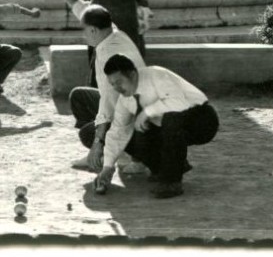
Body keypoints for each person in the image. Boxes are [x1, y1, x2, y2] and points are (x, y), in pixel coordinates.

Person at [45, 0, 149, 173]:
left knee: (87, 134)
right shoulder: (114, 32)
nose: (84, 36)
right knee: (80, 96)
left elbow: (108, 104)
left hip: (134, 117)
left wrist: (97, 143)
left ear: (92, 30)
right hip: (134, 108)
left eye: (84, 31)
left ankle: (135, 158)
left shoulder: (109, 57)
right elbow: (87, 10)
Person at [94, 54, 219, 199]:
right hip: (170, 128)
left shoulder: (156, 75)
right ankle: (167, 167)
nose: (116, 88)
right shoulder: (125, 100)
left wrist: (147, 112)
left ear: (133, 75)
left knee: (170, 117)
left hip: (202, 120)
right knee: (134, 132)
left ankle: (172, 182)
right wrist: (107, 168)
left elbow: (179, 103)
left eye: (119, 82)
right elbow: (118, 131)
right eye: (112, 84)